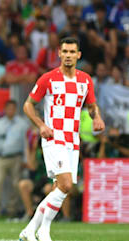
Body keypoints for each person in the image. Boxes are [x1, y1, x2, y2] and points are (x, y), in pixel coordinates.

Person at [19, 37, 105, 241]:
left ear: (78, 55)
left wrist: (97, 117)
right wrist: (41, 125)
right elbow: (28, 105)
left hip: (73, 140)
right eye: (64, 51)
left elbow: (91, 106)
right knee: (65, 185)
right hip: (54, 137)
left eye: (71, 52)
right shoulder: (48, 78)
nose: (68, 55)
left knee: (61, 188)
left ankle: (36, 230)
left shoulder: (85, 80)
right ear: (59, 53)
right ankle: (35, 230)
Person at [0, 100, 29, 217]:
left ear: (15, 109)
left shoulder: (22, 124)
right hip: (0, 157)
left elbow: (25, 143)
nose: (10, 111)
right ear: (5, 109)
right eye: (8, 108)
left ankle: (12, 209)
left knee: (15, 184)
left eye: (13, 108)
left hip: (16, 157)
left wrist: (25, 159)